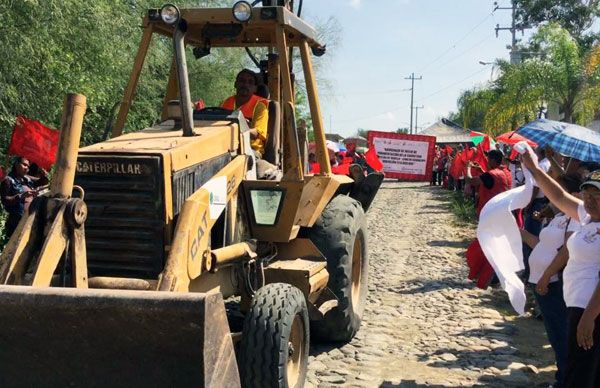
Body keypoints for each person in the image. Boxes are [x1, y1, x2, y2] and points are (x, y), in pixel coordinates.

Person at [521, 149, 600, 388]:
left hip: (592, 311)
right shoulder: (587, 218)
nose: (589, 199)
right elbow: (560, 196)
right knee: (581, 371)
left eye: (596, 194)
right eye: (586, 192)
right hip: (577, 306)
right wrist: (535, 170)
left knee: (582, 375)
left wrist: (589, 316)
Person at [521, 174, 583, 388]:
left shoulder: (575, 219)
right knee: (555, 334)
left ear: (572, 195)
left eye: (558, 193)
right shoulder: (560, 217)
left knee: (561, 335)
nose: (551, 197)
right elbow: (541, 244)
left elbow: (567, 250)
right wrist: (520, 231)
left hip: (554, 284)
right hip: (544, 282)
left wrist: (547, 275)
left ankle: (564, 381)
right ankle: (562, 376)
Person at [221, 69, 269, 157]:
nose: (245, 84)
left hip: (251, 150)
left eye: (250, 82)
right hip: (227, 147)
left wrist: (237, 129)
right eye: (242, 81)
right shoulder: (225, 103)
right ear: (235, 84)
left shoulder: (260, 107)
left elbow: (257, 133)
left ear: (255, 88)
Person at [1, 157, 48, 239]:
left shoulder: (27, 179)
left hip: (30, 220)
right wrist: (21, 196)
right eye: (24, 165)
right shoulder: (8, 180)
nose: (27, 168)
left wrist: (44, 176)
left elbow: (41, 182)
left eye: (28, 166)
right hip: (16, 221)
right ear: (16, 164)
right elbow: (4, 200)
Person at [466, 149, 512, 217]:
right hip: (502, 208)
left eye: (488, 159)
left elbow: (471, 180)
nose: (487, 162)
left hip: (490, 211)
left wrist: (468, 167)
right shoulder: (506, 171)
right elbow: (495, 180)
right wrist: (482, 171)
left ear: (493, 160)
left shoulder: (491, 174)